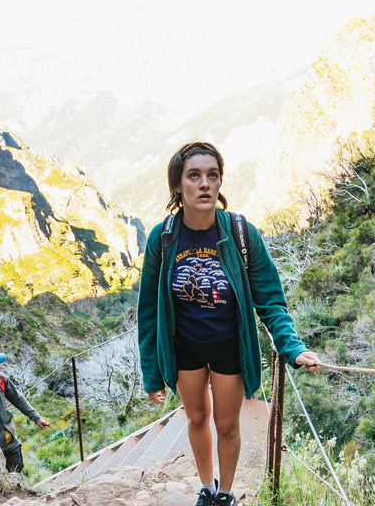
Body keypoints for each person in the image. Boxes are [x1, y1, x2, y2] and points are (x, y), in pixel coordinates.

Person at [137, 142, 322, 506]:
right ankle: (206, 487)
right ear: (178, 186)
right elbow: (148, 310)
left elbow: (270, 299)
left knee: (228, 425)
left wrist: (293, 348)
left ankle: (225, 494)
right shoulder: (163, 237)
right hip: (184, 347)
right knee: (195, 419)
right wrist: (151, 372)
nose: (204, 184)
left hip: (229, 346)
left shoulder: (240, 233)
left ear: (220, 182)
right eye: (194, 176)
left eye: (212, 175)